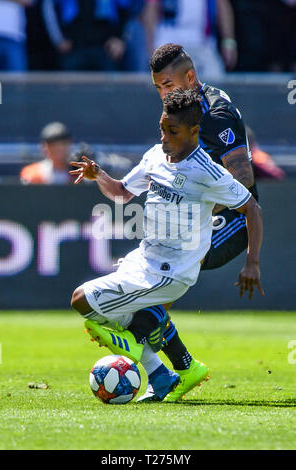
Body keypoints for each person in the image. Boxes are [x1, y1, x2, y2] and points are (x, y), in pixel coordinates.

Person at [69, 89, 264, 401]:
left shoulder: (208, 172)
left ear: (193, 131)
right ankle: (167, 374)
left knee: (81, 301)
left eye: (172, 131)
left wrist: (251, 262)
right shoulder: (155, 156)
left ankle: (135, 340)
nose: (164, 137)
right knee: (125, 315)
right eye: (162, 128)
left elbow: (251, 207)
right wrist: (99, 175)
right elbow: (121, 192)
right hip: (144, 258)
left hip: (173, 271)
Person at [133, 43, 261, 402]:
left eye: (169, 85)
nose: (163, 94)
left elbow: (244, 178)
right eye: (158, 87)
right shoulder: (185, 108)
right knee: (150, 289)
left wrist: (195, 203)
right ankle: (175, 369)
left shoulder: (216, 114)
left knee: (155, 284)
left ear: (190, 77)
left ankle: (168, 369)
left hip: (233, 219)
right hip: (202, 216)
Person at [142, 0, 238, 79]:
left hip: (203, 44)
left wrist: (228, 42)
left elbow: (223, 6)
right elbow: (151, 8)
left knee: (216, 81)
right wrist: (151, 46)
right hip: (168, 42)